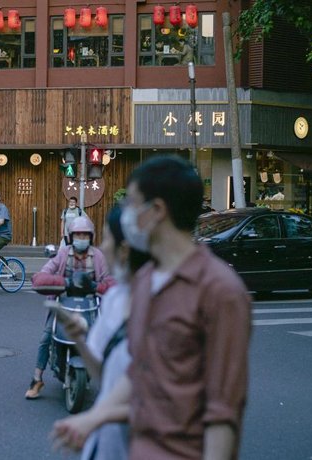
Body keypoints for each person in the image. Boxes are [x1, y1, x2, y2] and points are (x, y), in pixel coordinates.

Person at [51, 156, 251, 459]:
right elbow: (138, 371)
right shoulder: (144, 281)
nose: (126, 214)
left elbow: (222, 413)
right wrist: (94, 417)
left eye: (132, 203)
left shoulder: (221, 291)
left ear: (157, 211)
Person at [53, 206, 151, 460]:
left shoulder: (162, 307)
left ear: (125, 250)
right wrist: (80, 340)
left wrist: (96, 416)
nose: (102, 248)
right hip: (106, 447)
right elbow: (104, 378)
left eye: (107, 239)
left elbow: (160, 401)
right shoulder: (116, 298)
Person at [26, 216, 113, 400]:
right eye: (77, 234)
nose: (81, 237)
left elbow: (111, 282)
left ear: (91, 236)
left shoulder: (98, 256)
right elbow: (40, 277)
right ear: (71, 237)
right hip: (64, 303)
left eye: (85, 234)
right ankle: (37, 378)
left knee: (107, 339)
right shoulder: (63, 253)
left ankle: (110, 383)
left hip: (90, 306)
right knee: (46, 336)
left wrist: (94, 286)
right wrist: (65, 282)